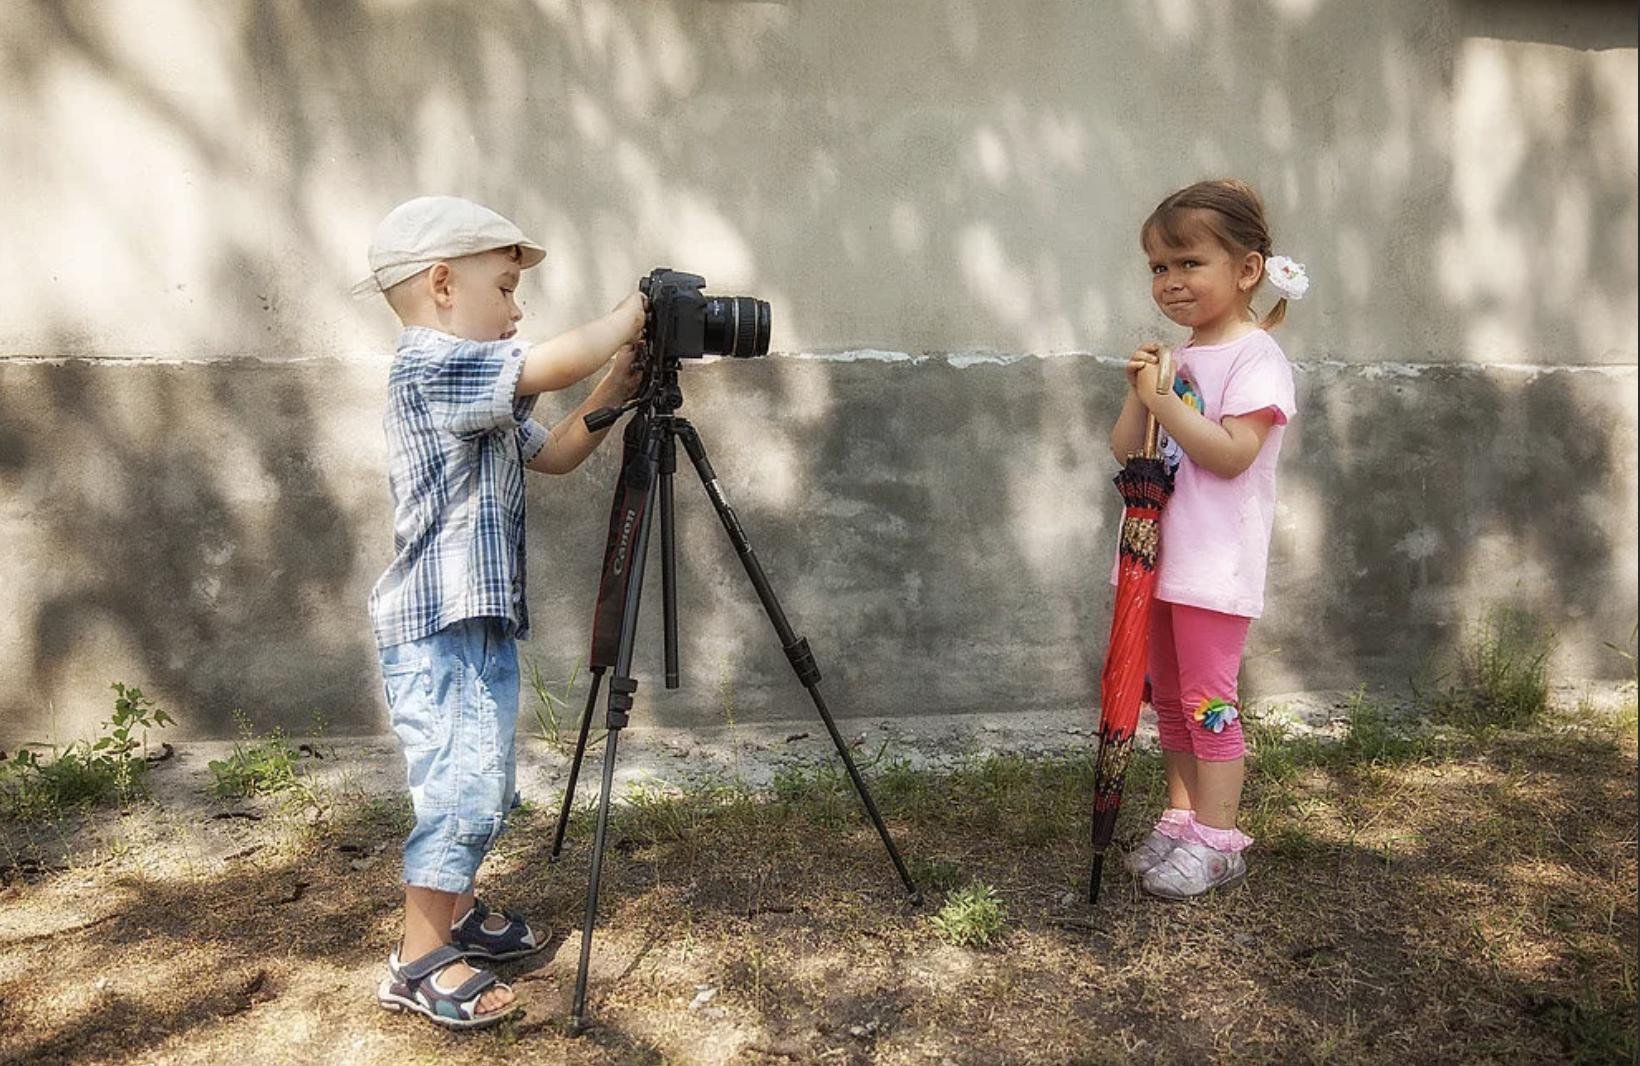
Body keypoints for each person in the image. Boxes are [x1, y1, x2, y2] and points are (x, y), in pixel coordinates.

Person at [356, 195, 644, 1027]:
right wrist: (628, 317)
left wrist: (616, 383)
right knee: (459, 790)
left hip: (474, 621)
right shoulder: (430, 364)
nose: (519, 311)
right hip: (438, 627)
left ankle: (458, 912)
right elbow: (539, 366)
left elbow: (552, 453)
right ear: (443, 284)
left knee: (482, 777)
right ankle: (415, 961)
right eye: (508, 288)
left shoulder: (477, 390)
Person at [1107, 179, 1307, 900]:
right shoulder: (1183, 358)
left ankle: (1220, 843)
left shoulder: (1258, 359)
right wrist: (1142, 393)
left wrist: (1166, 399)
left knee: (1208, 701)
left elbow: (1228, 453)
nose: (1170, 282)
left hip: (1215, 568)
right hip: (1156, 561)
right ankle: (1183, 819)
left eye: (1189, 263)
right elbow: (1128, 450)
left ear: (1247, 270)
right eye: (1159, 268)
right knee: (1168, 698)